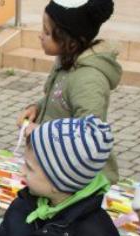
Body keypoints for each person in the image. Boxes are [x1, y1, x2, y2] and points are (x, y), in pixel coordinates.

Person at [17, 0, 120, 184]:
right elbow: (59, 98)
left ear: (69, 41)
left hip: (78, 183)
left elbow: (88, 135)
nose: (40, 36)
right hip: (54, 171)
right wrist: (37, 108)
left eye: (47, 32)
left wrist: (39, 132)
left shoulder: (88, 80)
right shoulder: (65, 62)